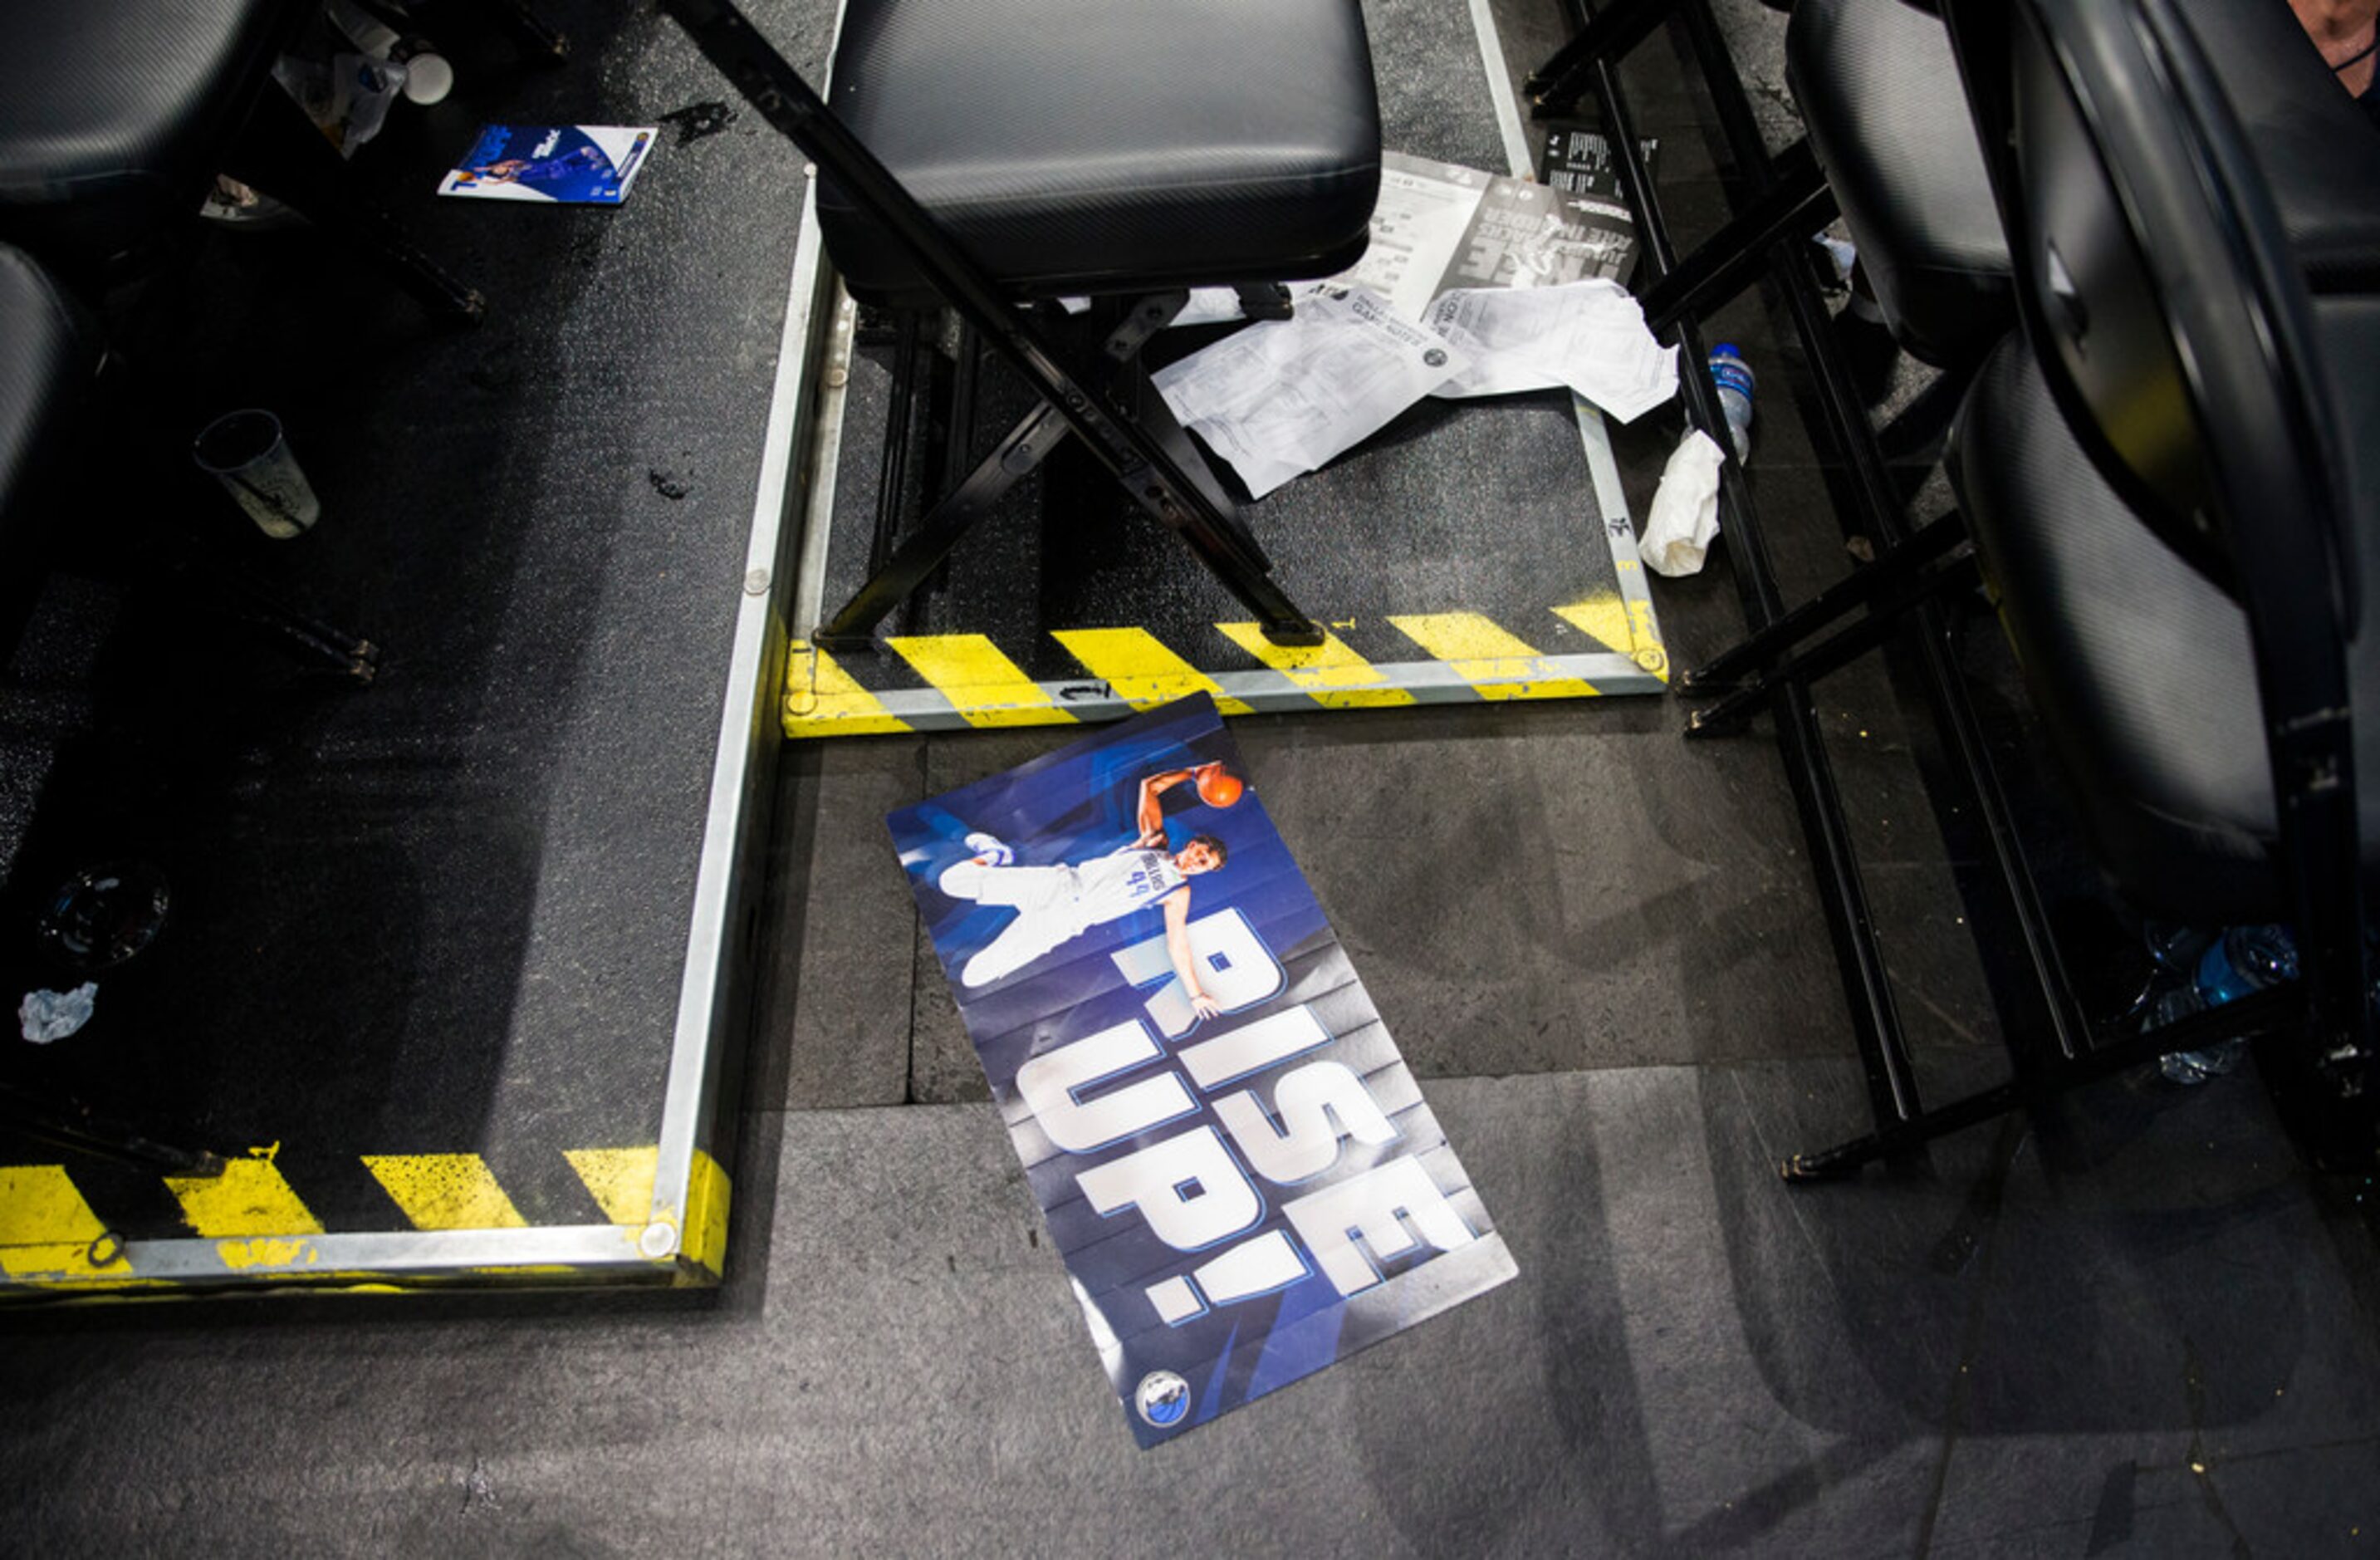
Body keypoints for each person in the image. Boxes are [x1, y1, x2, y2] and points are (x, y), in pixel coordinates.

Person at [937, 763, 1236, 1000]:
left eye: (1205, 864)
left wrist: (1195, 994)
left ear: (1203, 872)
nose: (1198, 861)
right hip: (1059, 884)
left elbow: (1178, 944)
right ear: (1194, 844)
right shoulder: (1155, 842)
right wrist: (1195, 772)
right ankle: (994, 854)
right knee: (951, 881)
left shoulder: (1178, 893)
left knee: (974, 975)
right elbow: (1151, 787)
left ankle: (995, 857)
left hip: (1063, 922)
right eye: (1202, 852)